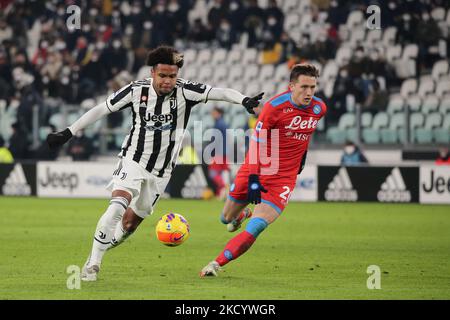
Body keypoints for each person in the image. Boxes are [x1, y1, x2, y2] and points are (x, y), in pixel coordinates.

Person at [46, 46, 264, 281]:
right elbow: (102, 109)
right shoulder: (135, 90)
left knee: (129, 225)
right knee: (117, 206)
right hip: (133, 159)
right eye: (163, 76)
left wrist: (243, 100)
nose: (168, 81)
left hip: (161, 172)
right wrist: (69, 132)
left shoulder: (185, 92)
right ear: (152, 73)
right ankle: (93, 265)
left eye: (172, 76)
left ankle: (97, 249)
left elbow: (220, 92)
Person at [200, 64, 327, 277]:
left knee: (257, 227)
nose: (309, 93)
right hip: (255, 168)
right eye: (304, 87)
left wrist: (302, 158)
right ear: (291, 86)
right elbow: (257, 143)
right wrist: (253, 179)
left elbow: (305, 134)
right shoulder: (274, 107)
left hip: (283, 178)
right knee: (225, 218)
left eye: (313, 87)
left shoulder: (319, 108)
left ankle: (216, 263)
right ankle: (243, 214)